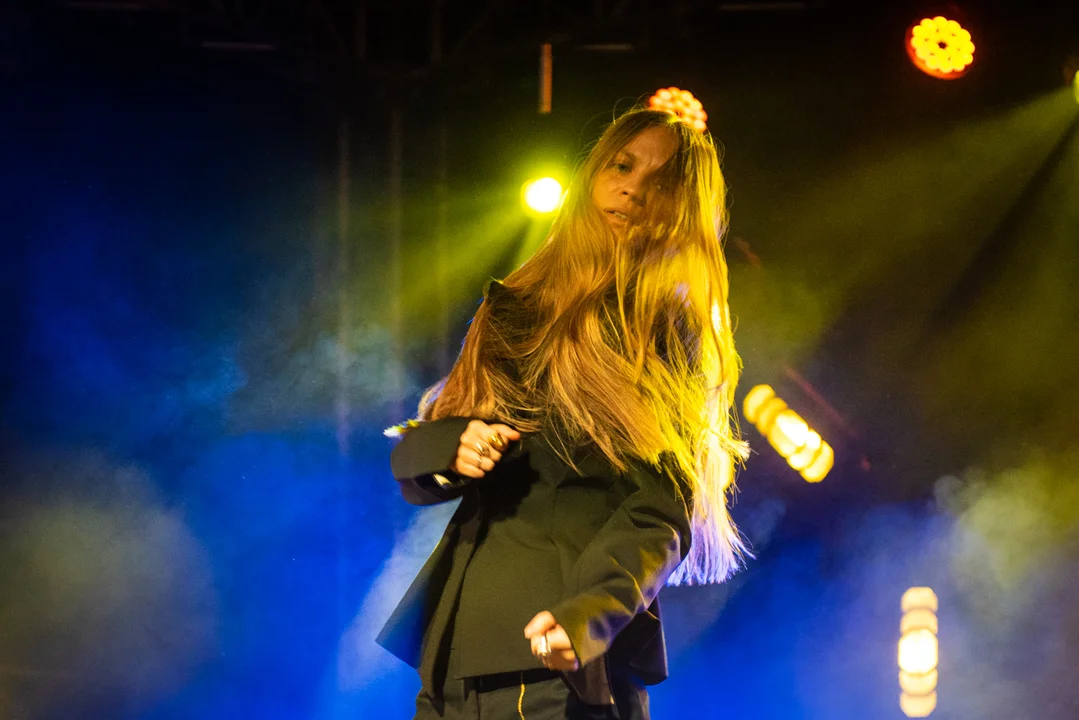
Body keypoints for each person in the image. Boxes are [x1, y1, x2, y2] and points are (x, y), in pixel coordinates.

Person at [377, 106, 749, 720]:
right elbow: (419, 450)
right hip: (452, 655)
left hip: (556, 663)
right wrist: (454, 445)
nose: (632, 188)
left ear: (684, 209)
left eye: (659, 183)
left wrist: (588, 615)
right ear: (593, 173)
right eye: (621, 166)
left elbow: (662, 511)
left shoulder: (663, 329)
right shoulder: (513, 308)